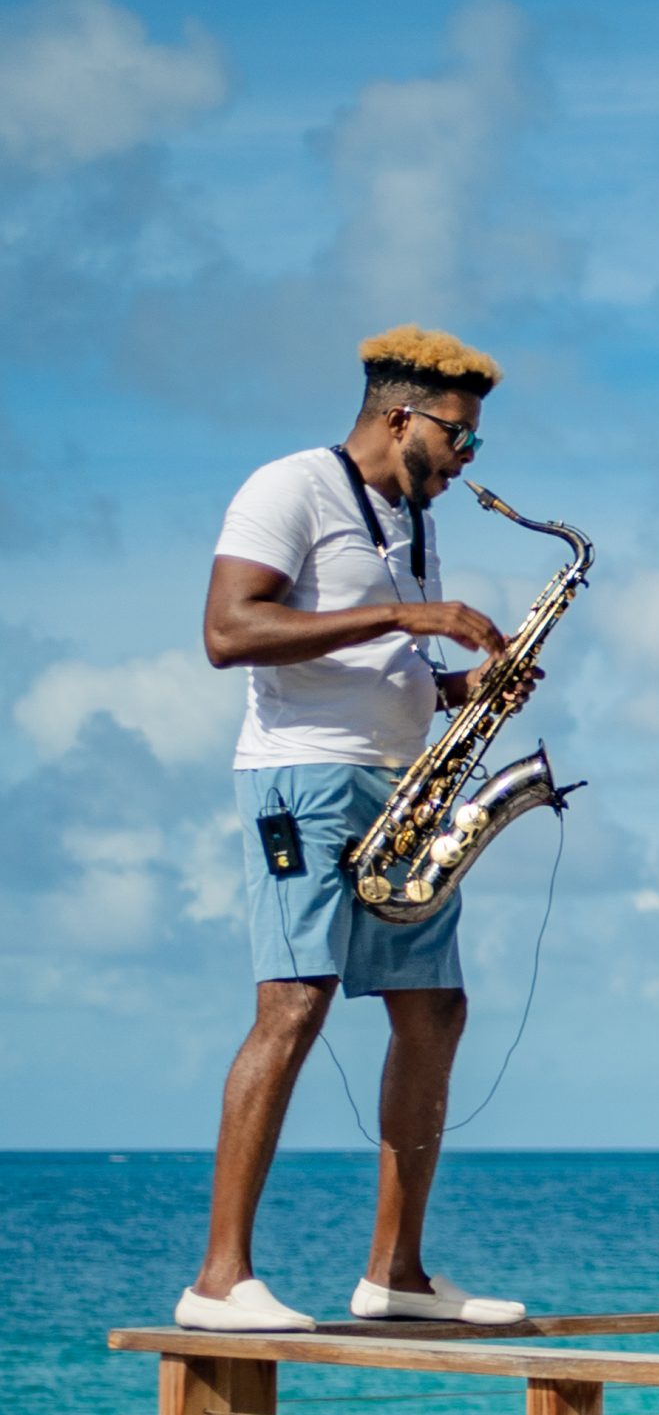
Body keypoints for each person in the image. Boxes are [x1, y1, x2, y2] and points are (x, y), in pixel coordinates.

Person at [181, 327, 522, 1331]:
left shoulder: (410, 520)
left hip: (403, 788)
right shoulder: (288, 488)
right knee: (293, 1003)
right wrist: (408, 622)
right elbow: (228, 632)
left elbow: (387, 666)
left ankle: (396, 1276)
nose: (467, 464)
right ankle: (218, 1282)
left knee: (435, 1010)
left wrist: (467, 689)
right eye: (460, 440)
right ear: (401, 418)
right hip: (304, 781)